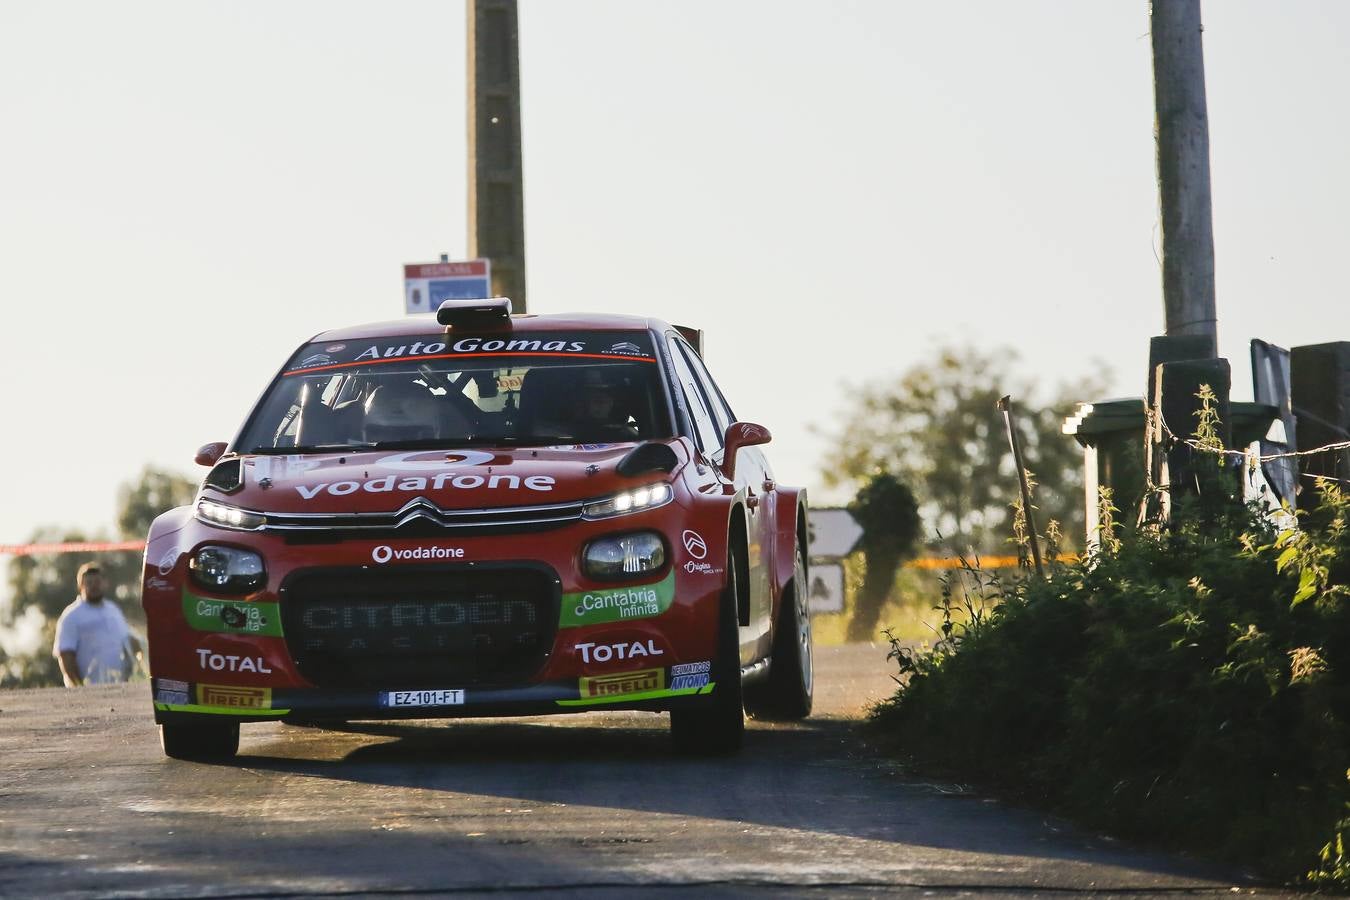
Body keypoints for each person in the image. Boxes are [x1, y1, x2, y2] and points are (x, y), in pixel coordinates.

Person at [53, 562, 141, 687]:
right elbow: (66, 656)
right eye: (89, 583)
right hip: (88, 692)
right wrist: (80, 687)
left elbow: (129, 643)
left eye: (98, 582)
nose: (94, 586)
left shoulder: (113, 610)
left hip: (119, 688)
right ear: (81, 586)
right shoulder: (71, 616)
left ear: (105, 584)